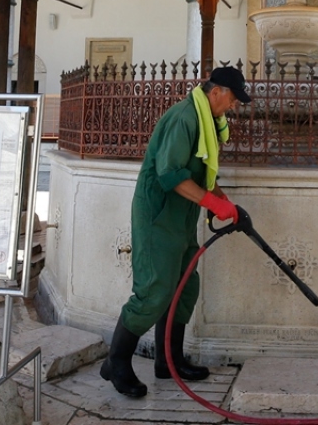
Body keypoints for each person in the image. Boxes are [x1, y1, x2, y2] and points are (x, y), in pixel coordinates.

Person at [100, 66, 251, 398]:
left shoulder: (205, 119)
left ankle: (168, 362)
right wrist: (213, 203)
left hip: (182, 217)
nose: (233, 107)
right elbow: (170, 174)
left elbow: (199, 171)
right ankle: (117, 362)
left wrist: (221, 200)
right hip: (158, 216)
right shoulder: (185, 118)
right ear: (217, 92)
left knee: (184, 287)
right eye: (233, 99)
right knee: (155, 290)